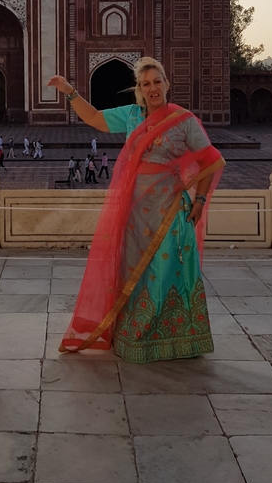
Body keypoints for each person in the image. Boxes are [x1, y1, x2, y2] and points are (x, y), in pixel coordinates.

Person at [47, 56, 224, 363]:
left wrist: (200, 201)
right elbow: (94, 118)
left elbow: (211, 162)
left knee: (168, 270)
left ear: (167, 84)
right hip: (135, 208)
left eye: (157, 82)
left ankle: (177, 337)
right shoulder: (132, 115)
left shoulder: (184, 121)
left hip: (169, 209)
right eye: (145, 84)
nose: (152, 88)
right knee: (135, 272)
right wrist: (69, 91)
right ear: (139, 90)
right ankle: (136, 335)